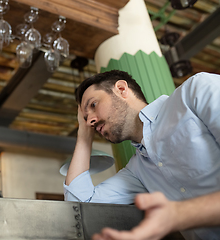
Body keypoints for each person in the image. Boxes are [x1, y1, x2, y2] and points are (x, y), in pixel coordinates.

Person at [63, 70, 220, 240]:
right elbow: (80, 207)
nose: (90, 121)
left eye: (93, 105)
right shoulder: (137, 171)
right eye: (85, 118)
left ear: (122, 89)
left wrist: (176, 215)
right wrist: (84, 136)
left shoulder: (194, 91)